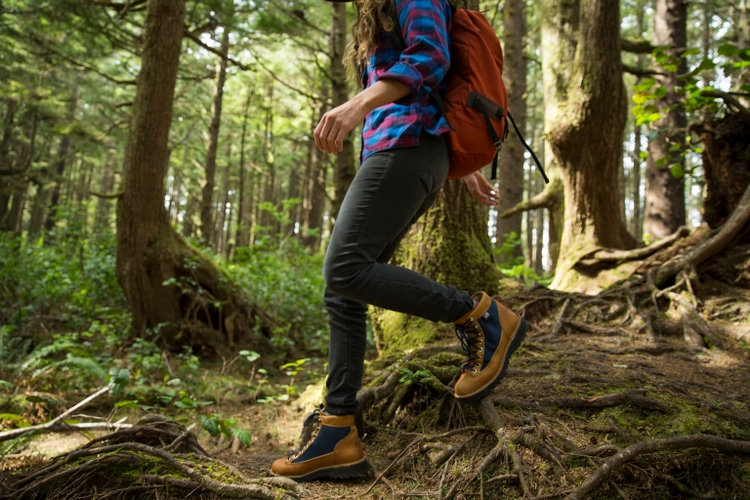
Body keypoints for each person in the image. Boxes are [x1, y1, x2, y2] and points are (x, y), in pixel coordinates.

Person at [270, 0, 528, 482]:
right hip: (400, 151)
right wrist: (464, 169)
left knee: (343, 269)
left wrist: (356, 104)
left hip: (404, 149)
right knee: (343, 289)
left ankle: (480, 316)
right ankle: (338, 432)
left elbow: (431, 57)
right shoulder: (380, 11)